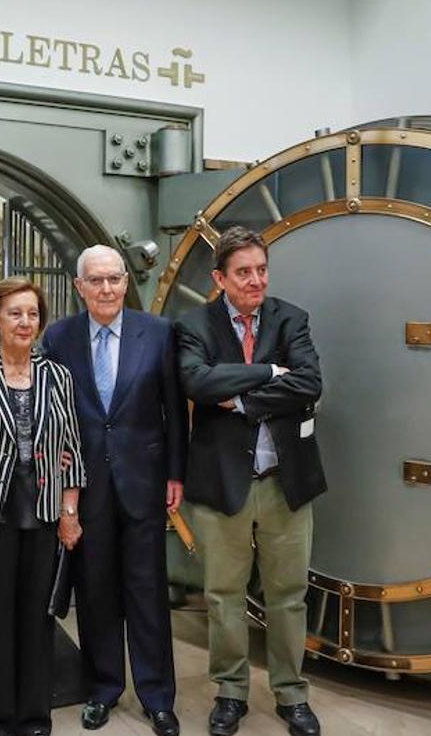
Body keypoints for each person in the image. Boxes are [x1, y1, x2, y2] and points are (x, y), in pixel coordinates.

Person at [174, 226, 326, 736]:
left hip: (287, 481)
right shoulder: (194, 323)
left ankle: (291, 694)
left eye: (261, 269)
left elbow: (310, 384)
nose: (256, 280)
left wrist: (238, 393)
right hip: (222, 482)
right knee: (223, 594)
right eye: (243, 272)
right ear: (220, 278)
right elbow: (196, 381)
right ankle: (231, 691)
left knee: (288, 594)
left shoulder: (291, 318)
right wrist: (270, 373)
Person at [41, 246, 187, 736]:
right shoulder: (59, 337)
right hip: (86, 486)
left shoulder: (159, 333)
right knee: (96, 591)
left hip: (144, 482)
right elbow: (52, 410)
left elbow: (174, 409)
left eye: (115, 279)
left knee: (147, 592)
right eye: (96, 281)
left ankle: (158, 697)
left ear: (127, 282)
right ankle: (102, 690)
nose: (107, 289)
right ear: (79, 286)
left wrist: (175, 473)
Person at [0, 277, 86, 736]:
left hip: (44, 518)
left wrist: (69, 513)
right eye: (15, 313)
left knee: (37, 625)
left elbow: (73, 451)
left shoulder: (57, 376)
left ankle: (33, 718)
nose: (26, 322)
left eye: (32, 314)